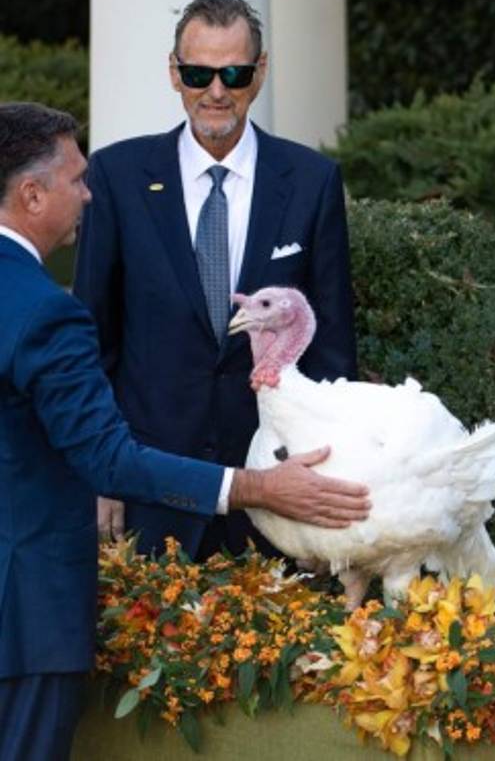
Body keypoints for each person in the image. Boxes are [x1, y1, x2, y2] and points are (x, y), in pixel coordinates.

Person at [0, 102, 369, 761]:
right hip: (22, 620)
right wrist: (258, 486)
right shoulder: (46, 314)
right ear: (32, 194)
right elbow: (109, 458)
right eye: (76, 180)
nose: (89, 193)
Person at [74, 0, 358, 559]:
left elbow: (332, 352)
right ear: (175, 73)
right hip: (150, 489)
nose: (217, 90)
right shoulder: (117, 176)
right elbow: (93, 342)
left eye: (234, 72)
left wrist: (323, 472)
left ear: (261, 71)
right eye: (199, 72)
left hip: (277, 489)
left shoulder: (311, 180)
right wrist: (100, 475)